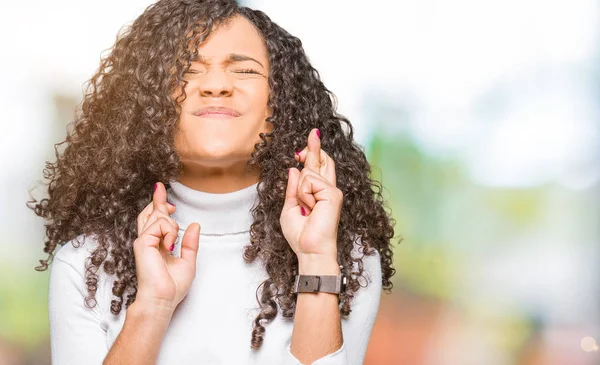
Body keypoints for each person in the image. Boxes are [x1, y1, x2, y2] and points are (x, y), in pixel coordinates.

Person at [29, 0, 397, 364]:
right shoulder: (84, 263)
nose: (217, 85)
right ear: (146, 103)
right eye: (187, 69)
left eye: (244, 71)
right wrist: (153, 306)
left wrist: (316, 258)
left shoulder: (346, 256)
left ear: (280, 100)